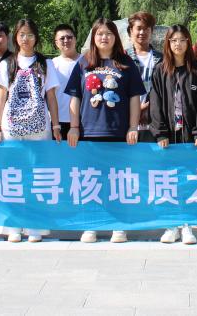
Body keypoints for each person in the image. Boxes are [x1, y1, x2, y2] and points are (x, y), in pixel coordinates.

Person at [64, 18, 147, 244]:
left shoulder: (126, 63)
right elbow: (75, 98)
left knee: (117, 180)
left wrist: (133, 126)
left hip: (118, 132)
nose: (104, 37)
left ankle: (118, 225)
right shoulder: (84, 62)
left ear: (115, 37)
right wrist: (73, 127)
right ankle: (91, 224)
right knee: (90, 180)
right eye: (99, 33)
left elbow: (134, 98)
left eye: (108, 33)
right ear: (94, 37)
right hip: (89, 132)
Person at [0, 19, 60, 243]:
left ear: (36, 38)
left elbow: (51, 97)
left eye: (30, 35)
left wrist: (56, 125)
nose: (25, 39)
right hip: (11, 128)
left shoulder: (45, 64)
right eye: (21, 34)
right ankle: (13, 224)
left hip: (39, 128)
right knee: (12, 174)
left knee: (37, 174)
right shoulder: (7, 63)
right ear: (16, 37)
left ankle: (35, 225)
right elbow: (2, 97)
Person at [150, 25, 197, 245]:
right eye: (174, 40)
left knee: (189, 179)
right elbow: (155, 102)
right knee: (169, 179)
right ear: (168, 43)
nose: (178, 44)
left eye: (182, 40)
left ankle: (188, 225)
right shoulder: (160, 70)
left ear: (188, 42)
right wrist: (160, 132)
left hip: (190, 135)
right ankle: (171, 225)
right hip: (168, 135)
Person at [126, 11, 162, 143]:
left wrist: (150, 107)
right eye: (138, 28)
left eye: (146, 29)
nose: (142, 32)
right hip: (127, 120)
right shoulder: (122, 58)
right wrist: (136, 109)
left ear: (151, 31)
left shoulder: (162, 59)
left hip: (155, 120)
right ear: (131, 31)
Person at [45, 24, 80, 139]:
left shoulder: (87, 62)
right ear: (56, 43)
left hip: (82, 120)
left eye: (69, 37)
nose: (66, 40)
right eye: (62, 38)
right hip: (58, 121)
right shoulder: (51, 64)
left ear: (75, 39)